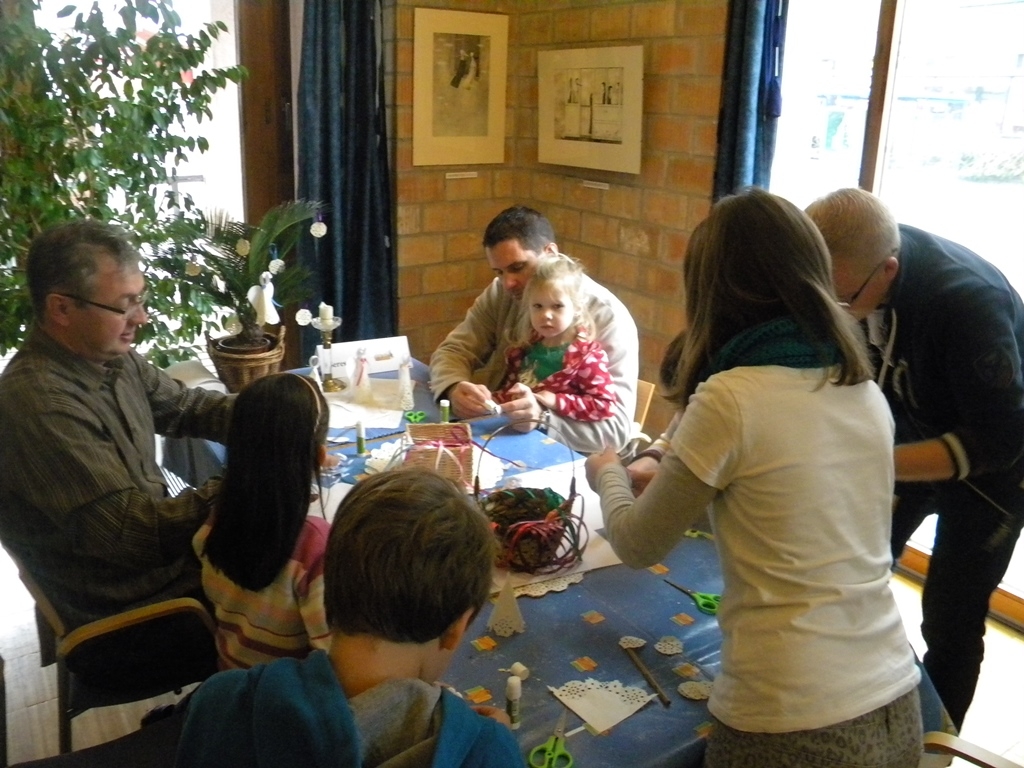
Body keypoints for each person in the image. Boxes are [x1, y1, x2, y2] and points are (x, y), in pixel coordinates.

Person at [585, 188, 922, 767]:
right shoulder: (865, 393)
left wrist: (607, 473)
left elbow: (637, 545)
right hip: (895, 698)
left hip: (794, 720)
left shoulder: (730, 397)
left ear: (709, 291)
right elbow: (784, 510)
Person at [806, 187, 1024, 730]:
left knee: (950, 619)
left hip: (999, 463)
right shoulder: (854, 270)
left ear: (889, 270)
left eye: (841, 300)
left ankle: (935, 747)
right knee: (849, 566)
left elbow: (999, 440)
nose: (831, 312)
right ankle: (845, 705)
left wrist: (870, 463)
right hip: (913, 426)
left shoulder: (966, 301)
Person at [0, 219, 232, 690]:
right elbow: (132, 534)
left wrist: (278, 412)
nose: (140, 318)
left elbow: (186, 408)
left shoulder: (112, 358)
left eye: (140, 300)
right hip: (128, 617)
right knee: (304, 592)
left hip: (162, 573)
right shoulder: (38, 403)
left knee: (300, 557)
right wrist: (251, 485)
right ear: (62, 308)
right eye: (124, 305)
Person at [174, 468, 525, 768]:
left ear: (328, 590)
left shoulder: (219, 702)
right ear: (457, 628)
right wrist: (489, 745)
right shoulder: (486, 752)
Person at [430, 205, 638, 454]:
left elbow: (616, 432)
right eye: (499, 272)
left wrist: (542, 419)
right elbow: (453, 351)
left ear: (550, 253)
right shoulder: (501, 292)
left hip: (571, 457)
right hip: (505, 435)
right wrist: (453, 388)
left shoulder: (607, 315)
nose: (508, 283)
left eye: (518, 267)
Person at [193, 373, 331, 670]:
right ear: (321, 457)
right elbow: (331, 657)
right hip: (286, 694)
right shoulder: (315, 547)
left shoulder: (215, 522)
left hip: (232, 678)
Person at [493, 253, 616, 423]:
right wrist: (491, 401)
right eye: (538, 306)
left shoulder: (586, 358)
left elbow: (604, 406)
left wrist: (557, 401)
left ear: (577, 308)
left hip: (553, 435)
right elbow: (513, 392)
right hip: (514, 426)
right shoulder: (527, 347)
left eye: (557, 306)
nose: (546, 315)